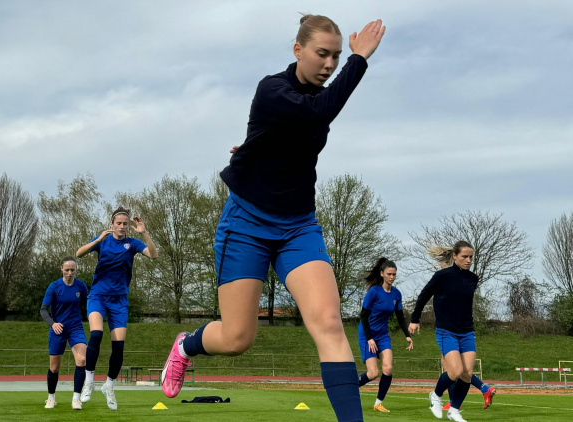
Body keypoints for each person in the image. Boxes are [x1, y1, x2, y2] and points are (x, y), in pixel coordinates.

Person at [159, 14, 386, 422]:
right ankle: (185, 347)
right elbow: (315, 115)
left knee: (330, 324)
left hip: (299, 225)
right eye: (322, 54)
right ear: (297, 50)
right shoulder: (272, 89)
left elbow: (291, 130)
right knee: (236, 338)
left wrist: (251, 150)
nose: (330, 64)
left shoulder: (312, 99)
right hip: (246, 223)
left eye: (336, 56)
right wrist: (360, 58)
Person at [76, 207, 158, 411]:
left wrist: (144, 232)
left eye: (125, 223)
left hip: (119, 300)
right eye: (118, 223)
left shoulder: (133, 244)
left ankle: (109, 386)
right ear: (112, 224)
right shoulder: (103, 240)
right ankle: (89, 382)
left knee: (118, 346)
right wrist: (97, 240)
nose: (121, 226)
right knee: (96, 334)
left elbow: (154, 255)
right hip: (98, 296)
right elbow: (79, 254)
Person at [409, 241, 478, 422]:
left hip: (467, 331)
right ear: (454, 256)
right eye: (464, 256)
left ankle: (454, 410)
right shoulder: (442, 276)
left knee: (467, 374)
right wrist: (415, 319)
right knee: (454, 372)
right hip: (446, 331)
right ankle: (436, 395)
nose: (468, 260)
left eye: (471, 257)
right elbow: (424, 295)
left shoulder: (473, 278)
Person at [427, 246, 496, 411]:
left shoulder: (452, 276)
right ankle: (483, 389)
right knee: (457, 369)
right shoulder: (449, 277)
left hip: (456, 331)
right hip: (451, 329)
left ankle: (456, 400)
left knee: (454, 369)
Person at [357, 258, 413, 413]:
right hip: (367, 333)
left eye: (394, 274)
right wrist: (369, 338)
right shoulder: (374, 292)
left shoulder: (396, 294)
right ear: (382, 274)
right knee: (373, 373)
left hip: (382, 335)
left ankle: (378, 404)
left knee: (388, 368)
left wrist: (407, 335)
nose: (392, 277)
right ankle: (351, 388)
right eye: (389, 274)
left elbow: (400, 317)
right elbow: (363, 316)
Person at [40, 256, 88, 410]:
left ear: (76, 270)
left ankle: (76, 399)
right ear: (61, 269)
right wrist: (53, 324)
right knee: (54, 368)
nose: (69, 273)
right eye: (67, 270)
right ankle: (51, 398)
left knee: (81, 360)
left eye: (72, 270)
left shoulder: (81, 286)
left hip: (76, 328)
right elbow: (43, 310)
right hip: (58, 330)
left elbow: (89, 305)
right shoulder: (54, 287)